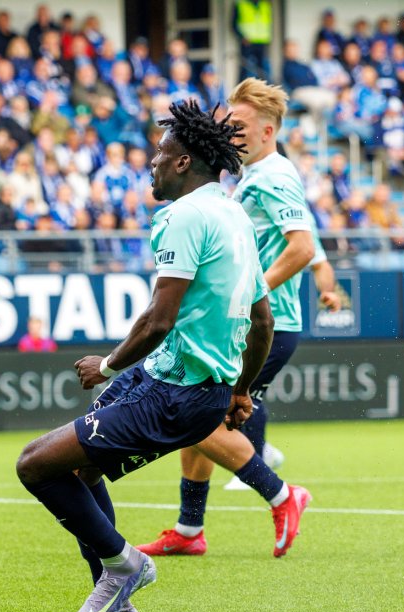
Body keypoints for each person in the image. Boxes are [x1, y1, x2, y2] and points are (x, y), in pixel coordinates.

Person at [15, 100, 273, 612]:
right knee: (81, 469)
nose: (152, 163)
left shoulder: (184, 216)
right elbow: (262, 321)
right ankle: (117, 606)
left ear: (183, 163)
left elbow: (159, 319)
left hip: (175, 394)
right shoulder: (232, 214)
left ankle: (124, 564)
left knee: (34, 464)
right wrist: (242, 390)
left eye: (160, 154)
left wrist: (107, 366)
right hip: (186, 385)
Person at [136, 79, 318, 558]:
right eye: (228, 125)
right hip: (250, 321)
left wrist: (247, 294)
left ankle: (282, 494)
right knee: (198, 411)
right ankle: (189, 529)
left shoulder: (274, 176)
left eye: (239, 127)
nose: (231, 134)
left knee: (195, 420)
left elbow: (302, 247)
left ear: (267, 130)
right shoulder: (257, 176)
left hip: (262, 322)